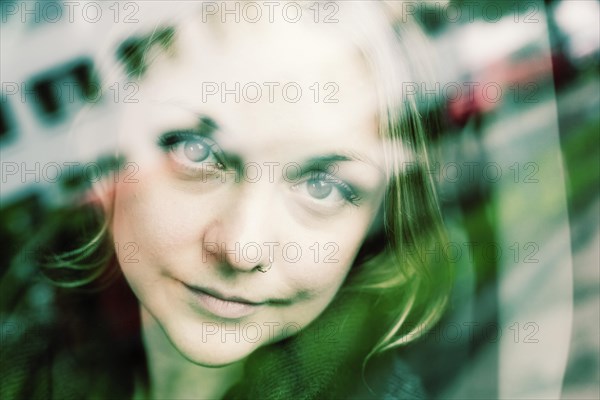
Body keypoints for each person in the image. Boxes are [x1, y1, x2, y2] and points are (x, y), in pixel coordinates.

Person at [1, 2, 453, 399]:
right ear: (104, 146)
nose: (242, 247)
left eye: (322, 186)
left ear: (378, 219)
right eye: (196, 150)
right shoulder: (25, 334)